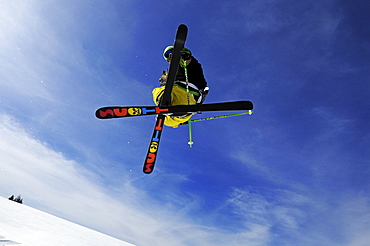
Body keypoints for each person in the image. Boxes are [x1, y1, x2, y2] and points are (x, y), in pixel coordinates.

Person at [152, 46, 209, 128]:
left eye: (170, 54)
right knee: (169, 121)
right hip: (175, 99)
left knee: (176, 99)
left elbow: (189, 62)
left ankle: (174, 110)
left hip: (187, 93)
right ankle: (169, 110)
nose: (168, 59)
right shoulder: (169, 72)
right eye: (167, 57)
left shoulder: (188, 63)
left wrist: (185, 56)